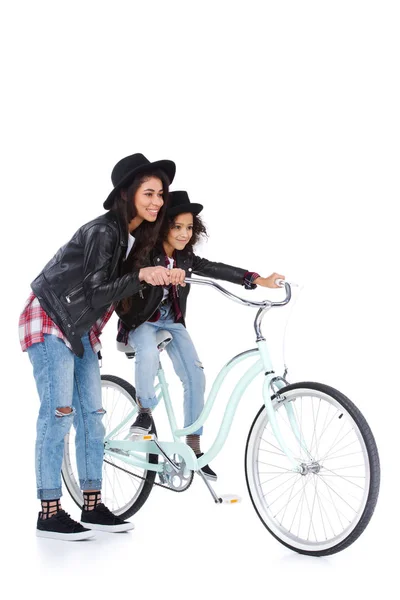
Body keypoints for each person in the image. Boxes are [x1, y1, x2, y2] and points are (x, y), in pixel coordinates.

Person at [19, 153, 176, 540]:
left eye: (161, 194)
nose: (157, 201)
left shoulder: (135, 239)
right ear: (127, 194)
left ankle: (92, 504)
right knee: (58, 414)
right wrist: (141, 274)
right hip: (52, 317)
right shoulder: (104, 231)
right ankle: (49, 511)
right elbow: (93, 290)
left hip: (81, 329)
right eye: (149, 193)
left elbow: (117, 295)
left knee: (92, 416)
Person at [116, 190, 284, 480]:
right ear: (164, 225)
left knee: (195, 375)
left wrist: (256, 279)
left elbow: (216, 269)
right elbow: (131, 274)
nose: (183, 234)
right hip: (143, 321)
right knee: (146, 354)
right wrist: (156, 272)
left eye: (189, 227)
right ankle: (144, 412)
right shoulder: (145, 249)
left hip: (173, 323)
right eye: (177, 226)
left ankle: (193, 448)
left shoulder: (186, 258)